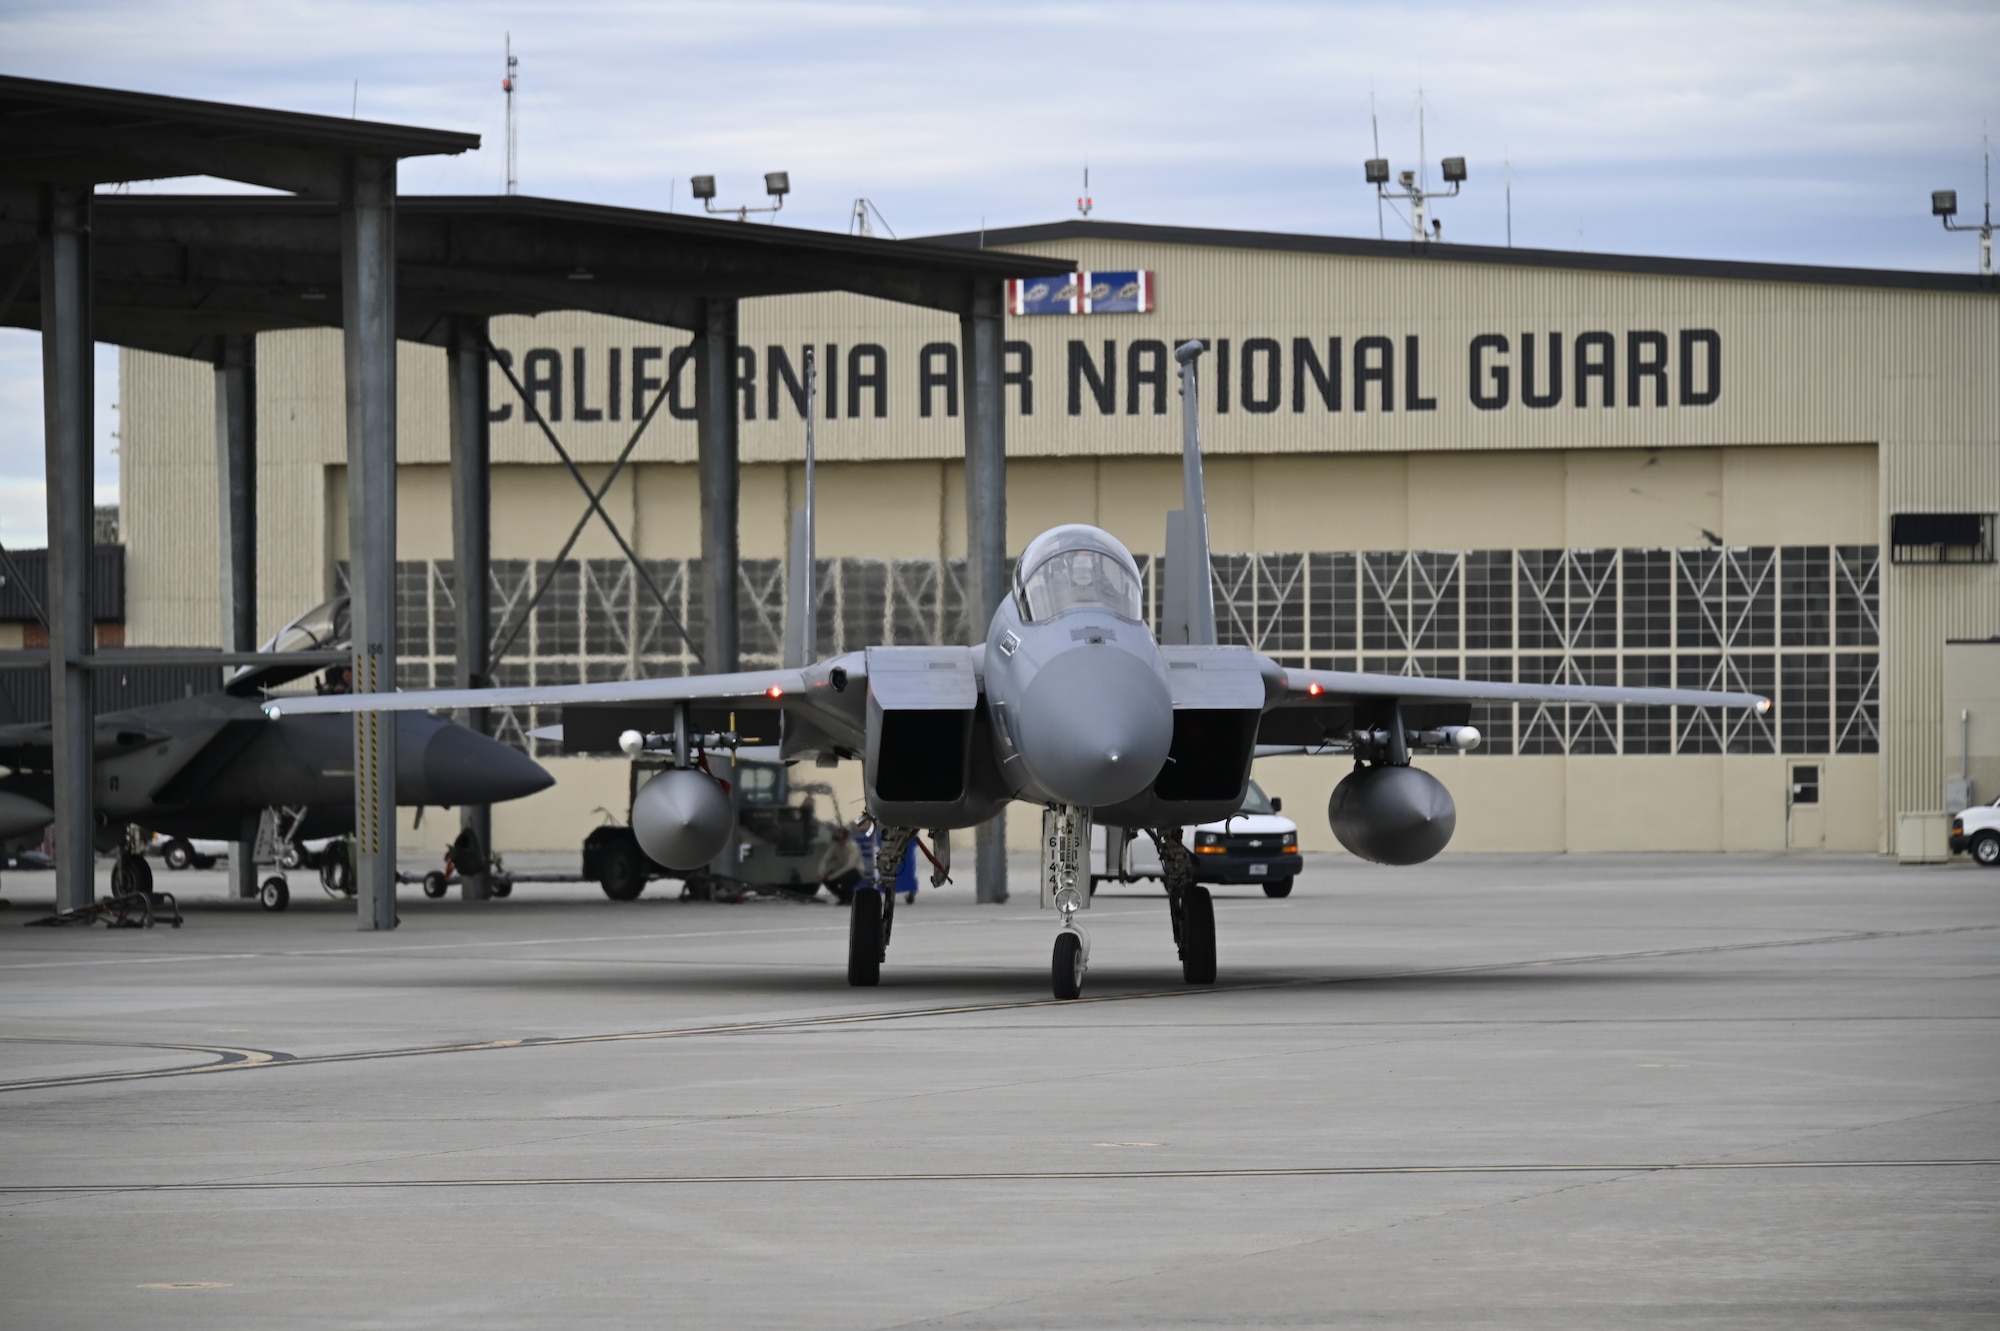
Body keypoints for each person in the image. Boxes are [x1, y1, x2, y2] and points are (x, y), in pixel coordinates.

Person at [818, 825, 863, 904]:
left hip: (856, 870)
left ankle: (853, 898)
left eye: (840, 833)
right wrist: (821, 873)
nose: (837, 835)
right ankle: (844, 898)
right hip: (842, 870)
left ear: (845, 834)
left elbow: (850, 865)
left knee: (844, 881)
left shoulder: (852, 846)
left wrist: (833, 876)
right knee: (828, 881)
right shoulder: (835, 846)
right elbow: (825, 859)